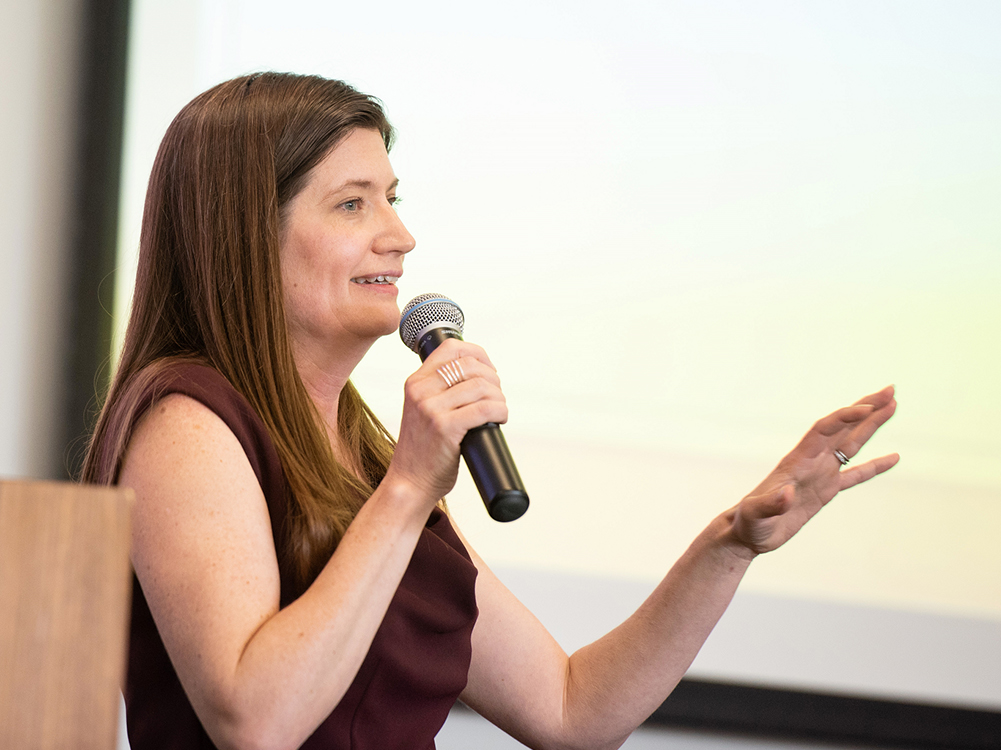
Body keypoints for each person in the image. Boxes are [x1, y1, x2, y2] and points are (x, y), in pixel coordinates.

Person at [80, 72, 899, 750]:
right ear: (243, 233)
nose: (399, 236)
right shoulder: (186, 424)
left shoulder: (362, 453)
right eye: (352, 204)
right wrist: (408, 489)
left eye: (392, 198)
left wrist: (729, 545)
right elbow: (253, 721)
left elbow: (572, 709)